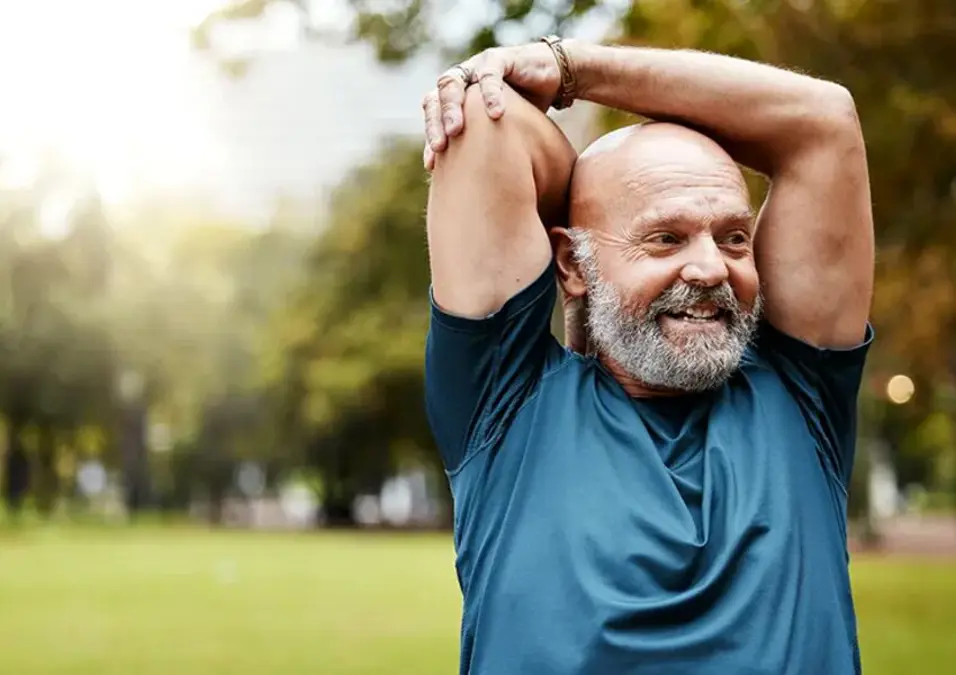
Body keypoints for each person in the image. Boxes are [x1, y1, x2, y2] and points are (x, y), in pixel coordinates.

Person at [420, 36, 874, 675]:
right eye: (664, 239)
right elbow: (485, 122)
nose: (711, 268)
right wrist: (595, 213)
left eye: (735, 237)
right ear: (572, 264)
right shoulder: (506, 407)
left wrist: (574, 67)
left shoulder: (803, 394)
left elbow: (822, 121)